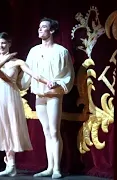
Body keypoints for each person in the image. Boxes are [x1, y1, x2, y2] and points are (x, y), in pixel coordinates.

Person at [0, 32, 48, 177]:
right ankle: (10, 164)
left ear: (9, 44)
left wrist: (47, 82)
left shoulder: (18, 62)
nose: (1, 46)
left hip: (11, 95)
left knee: (11, 126)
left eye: (4, 43)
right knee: (3, 127)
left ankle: (12, 164)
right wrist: (6, 58)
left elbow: (34, 74)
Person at [20, 17, 75, 179]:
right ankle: (49, 167)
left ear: (51, 31)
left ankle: (57, 168)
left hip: (54, 96)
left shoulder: (61, 51)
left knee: (54, 130)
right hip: (40, 95)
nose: (40, 29)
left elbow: (68, 75)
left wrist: (57, 84)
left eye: (43, 27)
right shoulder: (34, 51)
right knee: (45, 131)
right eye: (39, 27)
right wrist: (15, 82)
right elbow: (26, 74)